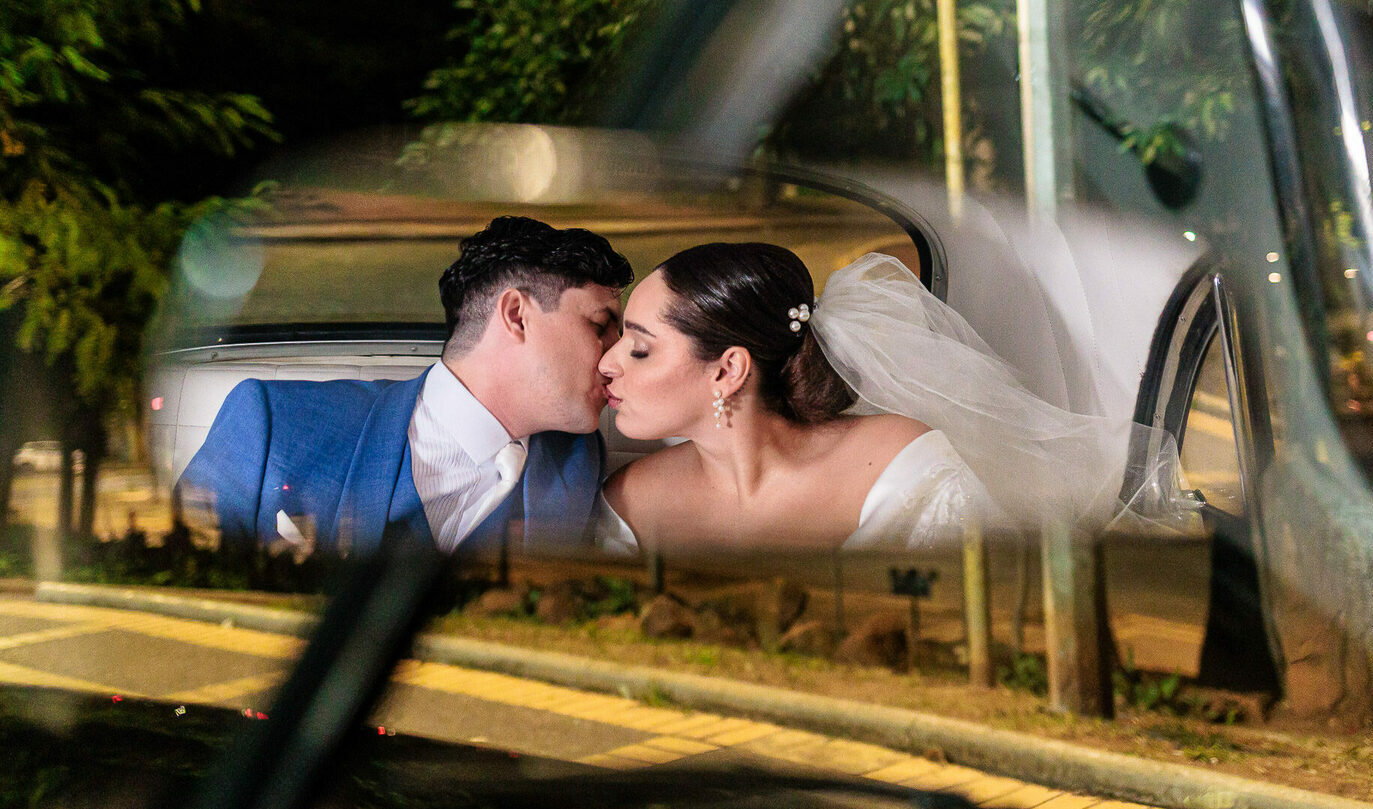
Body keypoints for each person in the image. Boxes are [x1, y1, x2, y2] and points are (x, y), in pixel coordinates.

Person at [593, 244, 1196, 554]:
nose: (607, 363)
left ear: (728, 370)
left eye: (639, 349)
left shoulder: (905, 466)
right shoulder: (626, 505)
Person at [179, 216, 633, 557]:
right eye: (600, 327)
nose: (615, 357)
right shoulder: (272, 422)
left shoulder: (579, 458)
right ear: (516, 316)